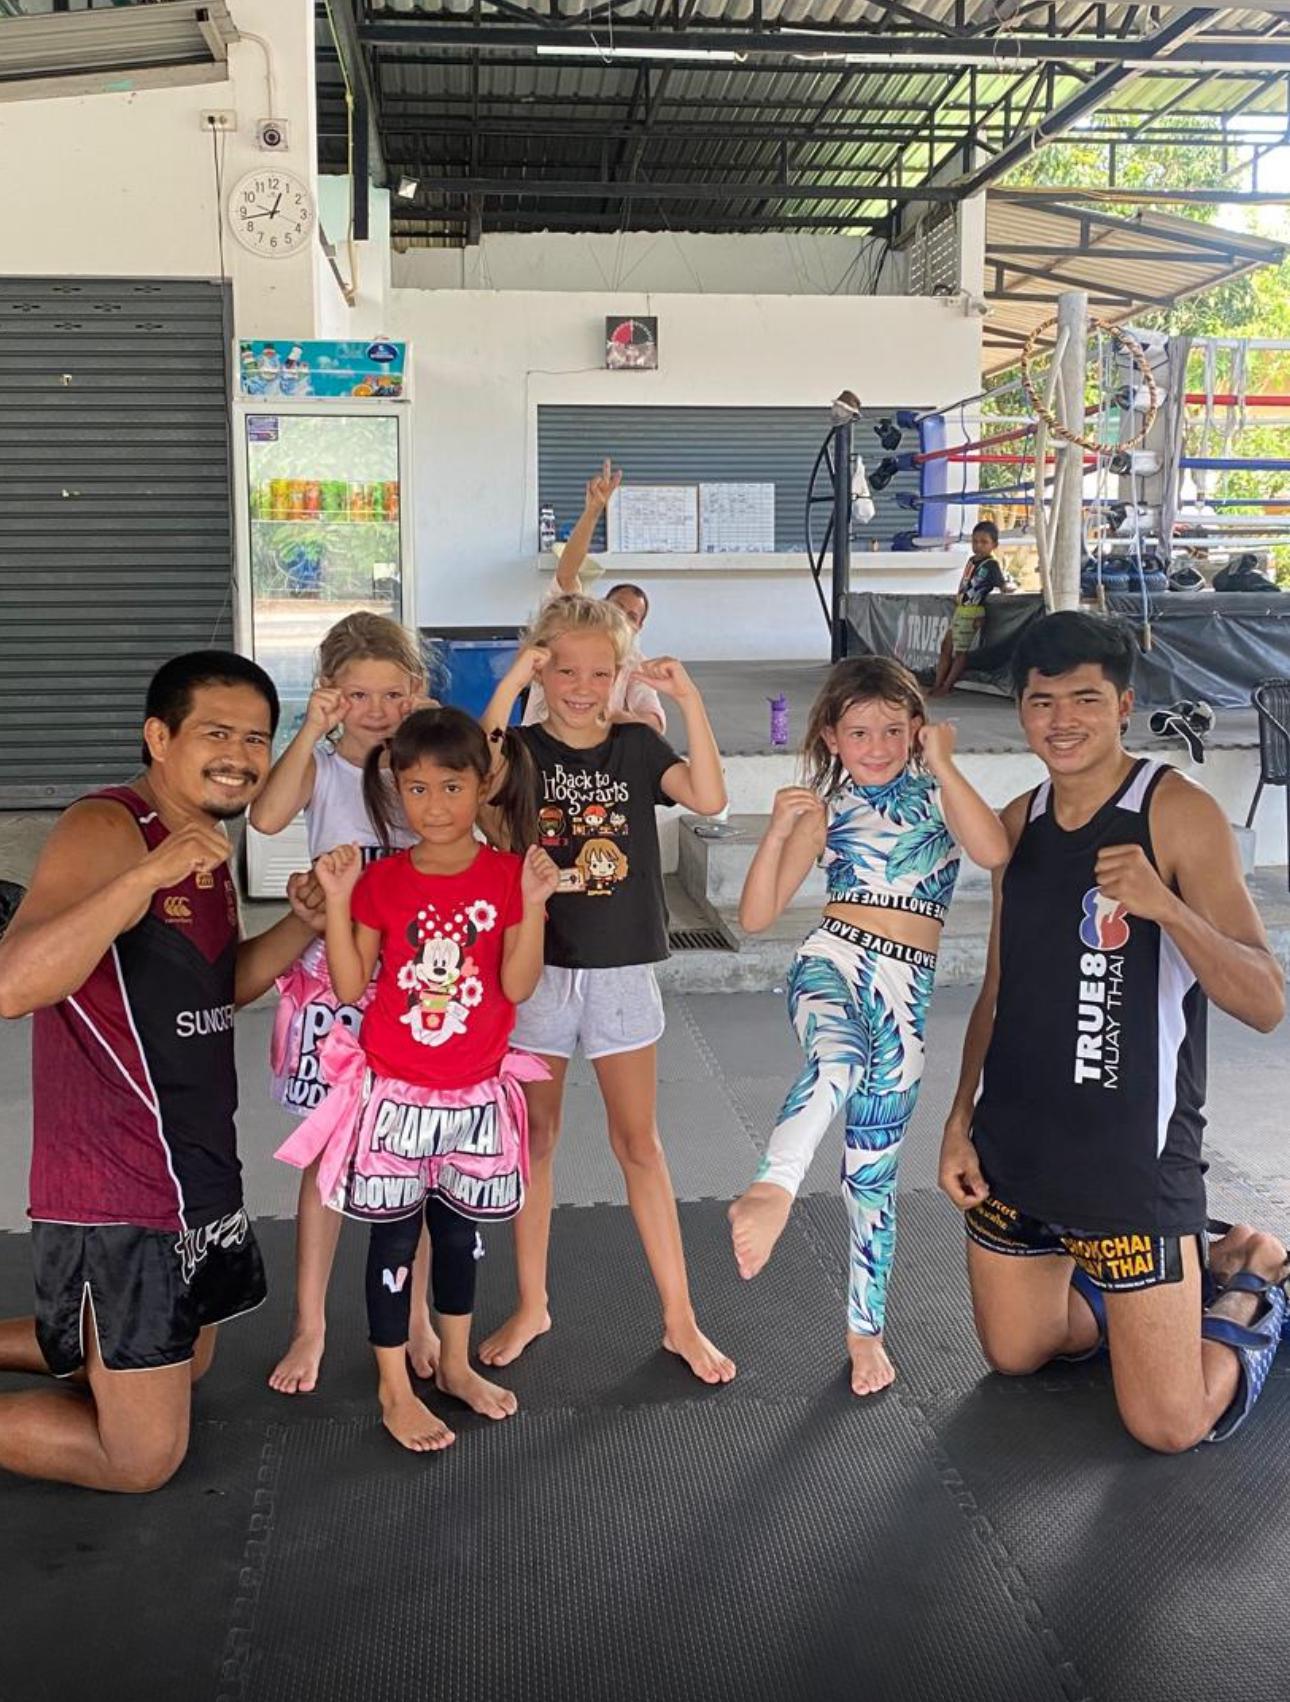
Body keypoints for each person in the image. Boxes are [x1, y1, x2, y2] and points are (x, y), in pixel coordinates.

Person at [937, 611, 1287, 1451]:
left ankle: (1251, 1275)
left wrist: (1167, 907)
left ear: (1124, 705)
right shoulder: (1016, 824)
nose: (1062, 721)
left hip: (1131, 1163)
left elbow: (1266, 1001)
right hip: (1020, 1150)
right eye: (1043, 701)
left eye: (1085, 699)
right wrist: (957, 1121)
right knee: (1017, 1353)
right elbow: (997, 989)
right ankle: (1149, 1290)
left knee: (1168, 1424)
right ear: (1021, 712)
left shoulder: (1178, 814)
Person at [0, 652, 325, 1493]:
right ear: (158, 736)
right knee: (141, 1460)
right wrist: (148, 873)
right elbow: (14, 984)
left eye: (256, 738)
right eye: (216, 733)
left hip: (196, 1168)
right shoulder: (108, 826)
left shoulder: (205, 844)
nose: (240, 756)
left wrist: (303, 924)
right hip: (117, 1186)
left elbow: (215, 990)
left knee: (184, 1364)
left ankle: (80, 1344)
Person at [274, 708, 558, 1452]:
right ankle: (393, 1387)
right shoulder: (382, 882)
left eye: (451, 787)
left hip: (475, 1093)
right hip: (394, 1093)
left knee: (460, 1239)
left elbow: (518, 986)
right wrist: (340, 900)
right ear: (396, 790)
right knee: (394, 1239)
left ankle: (456, 1365)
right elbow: (349, 984)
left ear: (483, 787)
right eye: (418, 789)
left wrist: (533, 907)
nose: (434, 806)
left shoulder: (507, 877)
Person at [728, 657, 1008, 1395]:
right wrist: (777, 831)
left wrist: (944, 764)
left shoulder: (939, 795)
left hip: (905, 990)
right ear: (831, 737)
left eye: (891, 730)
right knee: (838, 1059)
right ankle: (774, 1185)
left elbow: (994, 851)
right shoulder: (827, 809)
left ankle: (865, 1332)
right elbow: (755, 917)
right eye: (858, 733)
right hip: (832, 959)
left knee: (872, 1181)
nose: (876, 746)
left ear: (917, 729)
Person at [477, 595, 735, 1384]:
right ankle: (532, 1303)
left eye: (599, 673)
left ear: (620, 674)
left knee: (639, 1144)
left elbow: (710, 797)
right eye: (564, 672)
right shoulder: (520, 749)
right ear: (542, 671)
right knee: (535, 1140)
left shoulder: (636, 746)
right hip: (539, 969)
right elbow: (478, 783)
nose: (582, 688)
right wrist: (511, 681)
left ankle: (681, 1318)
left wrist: (689, 701)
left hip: (621, 970)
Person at [249, 611, 441, 1398]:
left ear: (415, 690)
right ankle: (311, 1323)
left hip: (420, 985)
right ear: (331, 692)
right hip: (335, 985)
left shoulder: (425, 769)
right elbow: (265, 816)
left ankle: (417, 1313)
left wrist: (428, 730)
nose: (377, 711)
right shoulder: (324, 770)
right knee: (329, 1153)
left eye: (393, 694)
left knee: (418, 1156)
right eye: (357, 695)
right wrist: (309, 727)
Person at [525, 459, 666, 736]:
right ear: (602, 608)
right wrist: (592, 512)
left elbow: (655, 723)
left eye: (632, 616)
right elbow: (567, 572)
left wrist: (612, 716)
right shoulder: (568, 627)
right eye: (617, 608)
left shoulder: (634, 662)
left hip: (596, 754)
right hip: (541, 750)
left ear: (639, 627)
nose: (622, 618)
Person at [929, 520, 1009, 698]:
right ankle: (937, 683)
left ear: (994, 545)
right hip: (961, 609)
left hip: (972, 611)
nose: (978, 546)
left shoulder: (991, 565)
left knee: (960, 652)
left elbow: (1002, 585)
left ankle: (946, 686)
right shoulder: (971, 561)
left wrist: (1007, 589)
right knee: (946, 646)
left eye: (984, 542)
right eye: (975, 541)